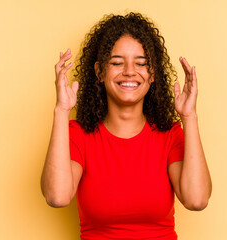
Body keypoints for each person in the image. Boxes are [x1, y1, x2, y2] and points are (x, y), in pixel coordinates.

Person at [41, 12, 212, 240]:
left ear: (152, 75)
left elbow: (197, 200)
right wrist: (61, 111)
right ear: (99, 72)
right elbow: (57, 197)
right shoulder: (78, 135)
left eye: (141, 63)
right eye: (117, 63)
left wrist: (189, 117)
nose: (130, 71)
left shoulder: (170, 135)